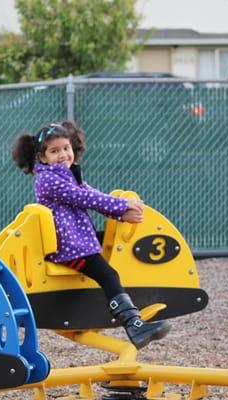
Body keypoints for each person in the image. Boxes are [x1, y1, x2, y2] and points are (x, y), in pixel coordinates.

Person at [11, 120, 171, 349]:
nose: (63, 154)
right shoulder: (47, 180)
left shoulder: (68, 175)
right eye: (54, 151)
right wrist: (122, 207)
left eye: (66, 148)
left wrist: (122, 210)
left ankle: (133, 296)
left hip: (77, 238)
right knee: (108, 275)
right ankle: (134, 326)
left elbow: (92, 193)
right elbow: (86, 199)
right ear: (42, 157)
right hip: (68, 247)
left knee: (114, 242)